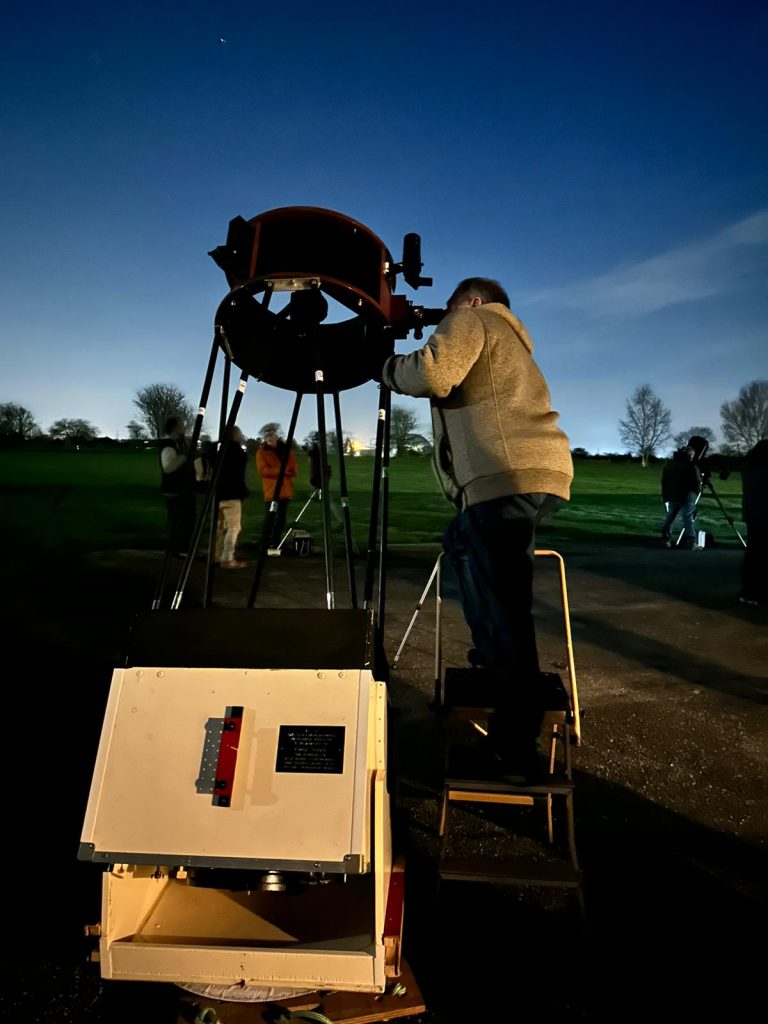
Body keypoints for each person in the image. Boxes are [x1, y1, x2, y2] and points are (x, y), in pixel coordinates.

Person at [381, 276, 573, 778]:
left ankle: (514, 750)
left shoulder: (473, 318)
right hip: (528, 472)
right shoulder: (508, 336)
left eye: (448, 310)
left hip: (504, 474)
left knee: (505, 610)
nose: (443, 320)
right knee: (464, 547)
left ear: (471, 300)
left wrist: (382, 368)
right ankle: (495, 657)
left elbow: (433, 372)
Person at [255, 428, 298, 555]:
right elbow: (263, 471)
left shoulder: (286, 450)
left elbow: (292, 466)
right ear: (265, 440)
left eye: (272, 438)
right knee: (270, 518)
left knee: (281, 519)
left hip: (285, 490)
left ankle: (276, 542)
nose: (271, 441)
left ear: (276, 438)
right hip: (272, 491)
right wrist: (281, 471)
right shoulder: (262, 453)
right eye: (268, 439)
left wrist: (290, 471)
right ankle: (264, 543)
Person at [159, 415, 194, 556]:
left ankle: (180, 548)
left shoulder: (178, 443)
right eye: (181, 425)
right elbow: (168, 467)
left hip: (181, 489)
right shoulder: (168, 445)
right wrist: (184, 457)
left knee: (184, 520)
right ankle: (177, 550)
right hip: (175, 490)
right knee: (179, 521)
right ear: (174, 427)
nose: (184, 427)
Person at [215, 426, 249, 570]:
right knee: (233, 527)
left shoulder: (216, 449)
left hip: (217, 493)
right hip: (232, 494)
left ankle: (217, 555)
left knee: (219, 527)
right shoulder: (238, 452)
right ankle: (227, 558)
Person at [740, 439, 768, 606]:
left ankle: (750, 591)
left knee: (754, 553)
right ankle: (759, 590)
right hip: (764, 516)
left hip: (753, 516)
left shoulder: (750, 470)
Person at [660, 446, 702, 549]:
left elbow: (664, 481)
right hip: (687, 497)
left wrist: (665, 496)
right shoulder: (691, 466)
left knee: (670, 518)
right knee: (688, 519)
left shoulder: (669, 464)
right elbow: (696, 483)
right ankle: (691, 542)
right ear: (690, 455)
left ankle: (666, 540)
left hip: (673, 496)